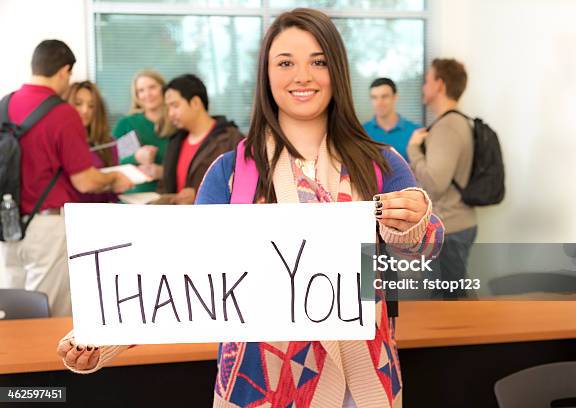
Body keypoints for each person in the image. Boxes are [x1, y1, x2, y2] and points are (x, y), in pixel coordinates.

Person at [57, 9, 444, 407]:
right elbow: (181, 267)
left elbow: (426, 245)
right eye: (285, 63)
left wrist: (413, 223)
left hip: (359, 381)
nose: (302, 76)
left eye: (318, 61)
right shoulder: (230, 172)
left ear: (338, 72)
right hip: (258, 381)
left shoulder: (379, 161)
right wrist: (102, 334)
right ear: (265, 74)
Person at [0, 40, 132, 317]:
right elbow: (84, 181)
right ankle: (47, 362)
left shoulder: (5, 104)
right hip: (46, 225)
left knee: (12, 308)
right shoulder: (62, 113)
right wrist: (112, 179)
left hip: (7, 222)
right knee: (49, 310)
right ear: (63, 71)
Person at [407, 58, 476, 299]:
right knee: (450, 301)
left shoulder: (447, 127)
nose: (423, 87)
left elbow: (435, 184)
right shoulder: (456, 122)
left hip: (450, 229)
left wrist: (414, 149)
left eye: (427, 81)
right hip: (456, 225)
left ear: (439, 85)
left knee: (446, 307)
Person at [154, 74, 243, 205]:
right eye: (168, 108)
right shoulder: (175, 141)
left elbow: (245, 188)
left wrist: (200, 194)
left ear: (195, 103)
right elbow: (165, 186)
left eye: (175, 105)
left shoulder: (232, 140)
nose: (170, 114)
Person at [112, 69, 174, 194]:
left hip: (167, 198)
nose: (147, 94)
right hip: (131, 200)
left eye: (152, 87)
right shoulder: (126, 124)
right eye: (141, 90)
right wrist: (136, 157)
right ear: (137, 95)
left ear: (163, 89)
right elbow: (112, 163)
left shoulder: (176, 124)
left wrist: (163, 172)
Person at [65, 80, 118, 203]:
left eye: (91, 106)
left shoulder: (108, 143)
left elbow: (114, 191)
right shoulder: (63, 143)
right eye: (78, 103)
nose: (85, 110)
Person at [363, 78, 419, 162]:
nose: (379, 103)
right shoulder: (361, 132)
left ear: (395, 97)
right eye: (374, 97)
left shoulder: (415, 132)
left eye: (384, 96)